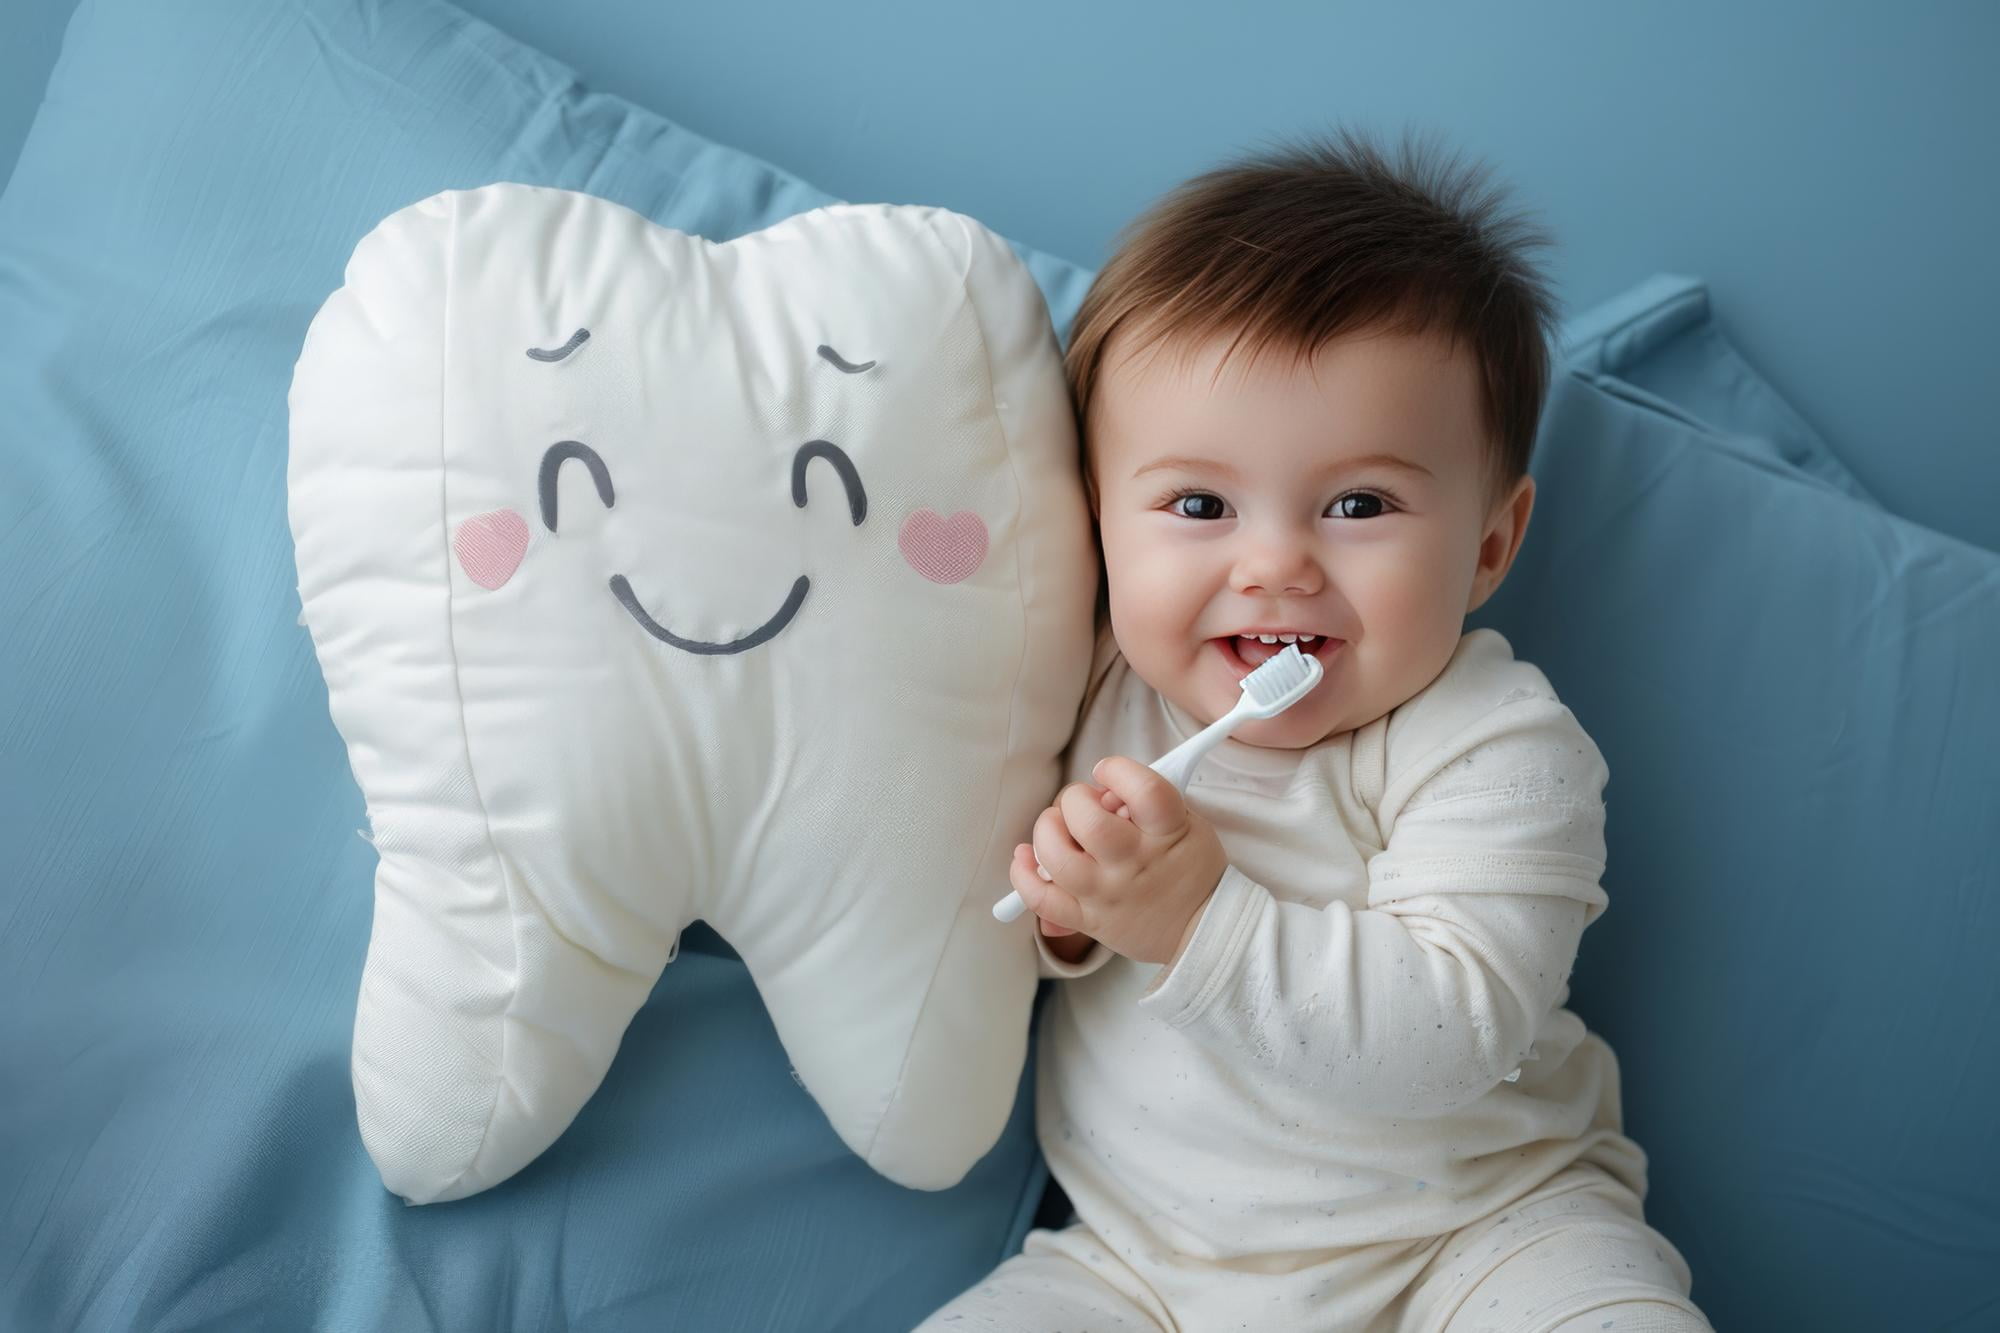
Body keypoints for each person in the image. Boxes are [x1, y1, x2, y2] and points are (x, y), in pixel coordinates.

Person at [918, 129, 1710, 1332]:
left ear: (1489, 545)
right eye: (1197, 504)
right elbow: (1016, 936)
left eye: (1357, 505)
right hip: (1146, 1265)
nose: (1274, 563)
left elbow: (1455, 1031)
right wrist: (1073, 915)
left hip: (1479, 1232)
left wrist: (1189, 921)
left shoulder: (1495, 747)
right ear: (1093, 522)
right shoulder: (1092, 688)